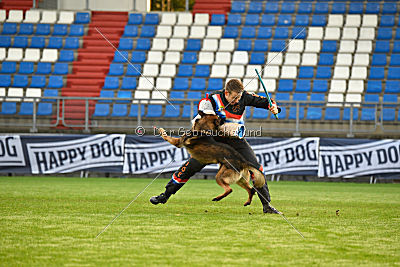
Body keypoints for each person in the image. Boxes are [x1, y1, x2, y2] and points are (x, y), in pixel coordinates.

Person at [150, 79, 281, 213]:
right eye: (234, 97)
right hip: (213, 141)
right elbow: (205, 117)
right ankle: (165, 195)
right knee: (190, 166)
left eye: (239, 98)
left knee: (256, 168)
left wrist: (274, 107)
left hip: (236, 141)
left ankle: (267, 205)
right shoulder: (211, 100)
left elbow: (265, 101)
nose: (237, 100)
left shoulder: (244, 96)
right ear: (226, 93)